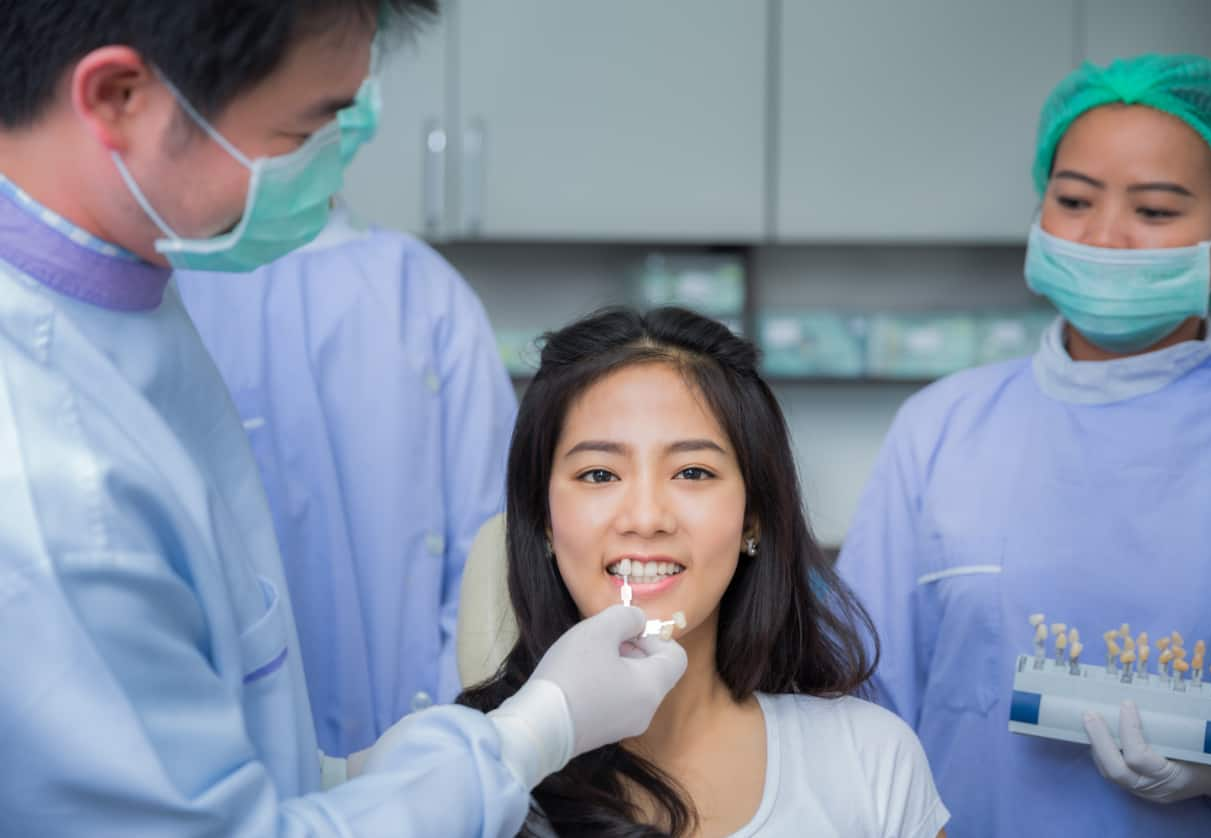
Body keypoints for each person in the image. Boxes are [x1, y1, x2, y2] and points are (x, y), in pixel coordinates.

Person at [0, 3, 685, 835]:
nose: (327, 170)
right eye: (303, 132)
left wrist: (367, 773)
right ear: (118, 97)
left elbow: (206, 756)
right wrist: (533, 732)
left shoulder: (131, 302)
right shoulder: (48, 472)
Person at [838, 54, 1211, 837]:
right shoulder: (942, 426)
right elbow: (863, 700)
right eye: (1073, 200)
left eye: (1157, 211)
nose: (1103, 238)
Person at [459, 307, 950, 837]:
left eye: (693, 472)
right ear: (544, 520)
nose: (646, 519)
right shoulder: (470, 775)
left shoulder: (871, 761)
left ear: (752, 518)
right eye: (599, 474)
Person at [177, 194, 516, 757]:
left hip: (425, 744)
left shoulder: (423, 290)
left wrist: (449, 742)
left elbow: (491, 545)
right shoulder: (171, 290)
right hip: (226, 748)